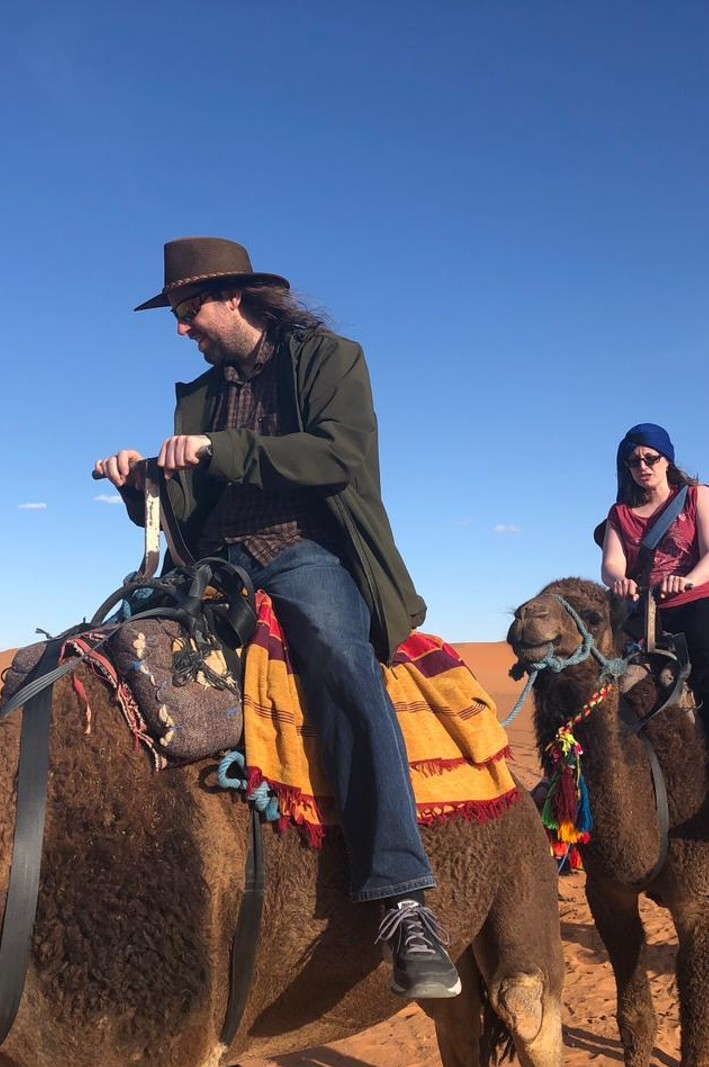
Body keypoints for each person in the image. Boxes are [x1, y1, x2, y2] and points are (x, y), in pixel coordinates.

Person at [94, 237, 460, 999]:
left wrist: (219, 448)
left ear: (234, 297)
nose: (181, 328)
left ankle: (403, 899)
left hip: (303, 550)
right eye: (176, 314)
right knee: (106, 657)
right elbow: (188, 507)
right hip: (213, 566)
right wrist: (140, 484)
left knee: (341, 661)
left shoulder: (330, 359)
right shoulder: (199, 393)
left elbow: (337, 456)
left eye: (188, 310)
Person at [599, 422, 709, 827]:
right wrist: (619, 581)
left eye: (650, 458)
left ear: (666, 459)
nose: (643, 467)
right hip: (644, 610)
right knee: (589, 673)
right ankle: (567, 777)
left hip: (702, 601)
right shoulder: (619, 515)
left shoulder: (697, 497)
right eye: (633, 461)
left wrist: (687, 579)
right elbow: (612, 563)